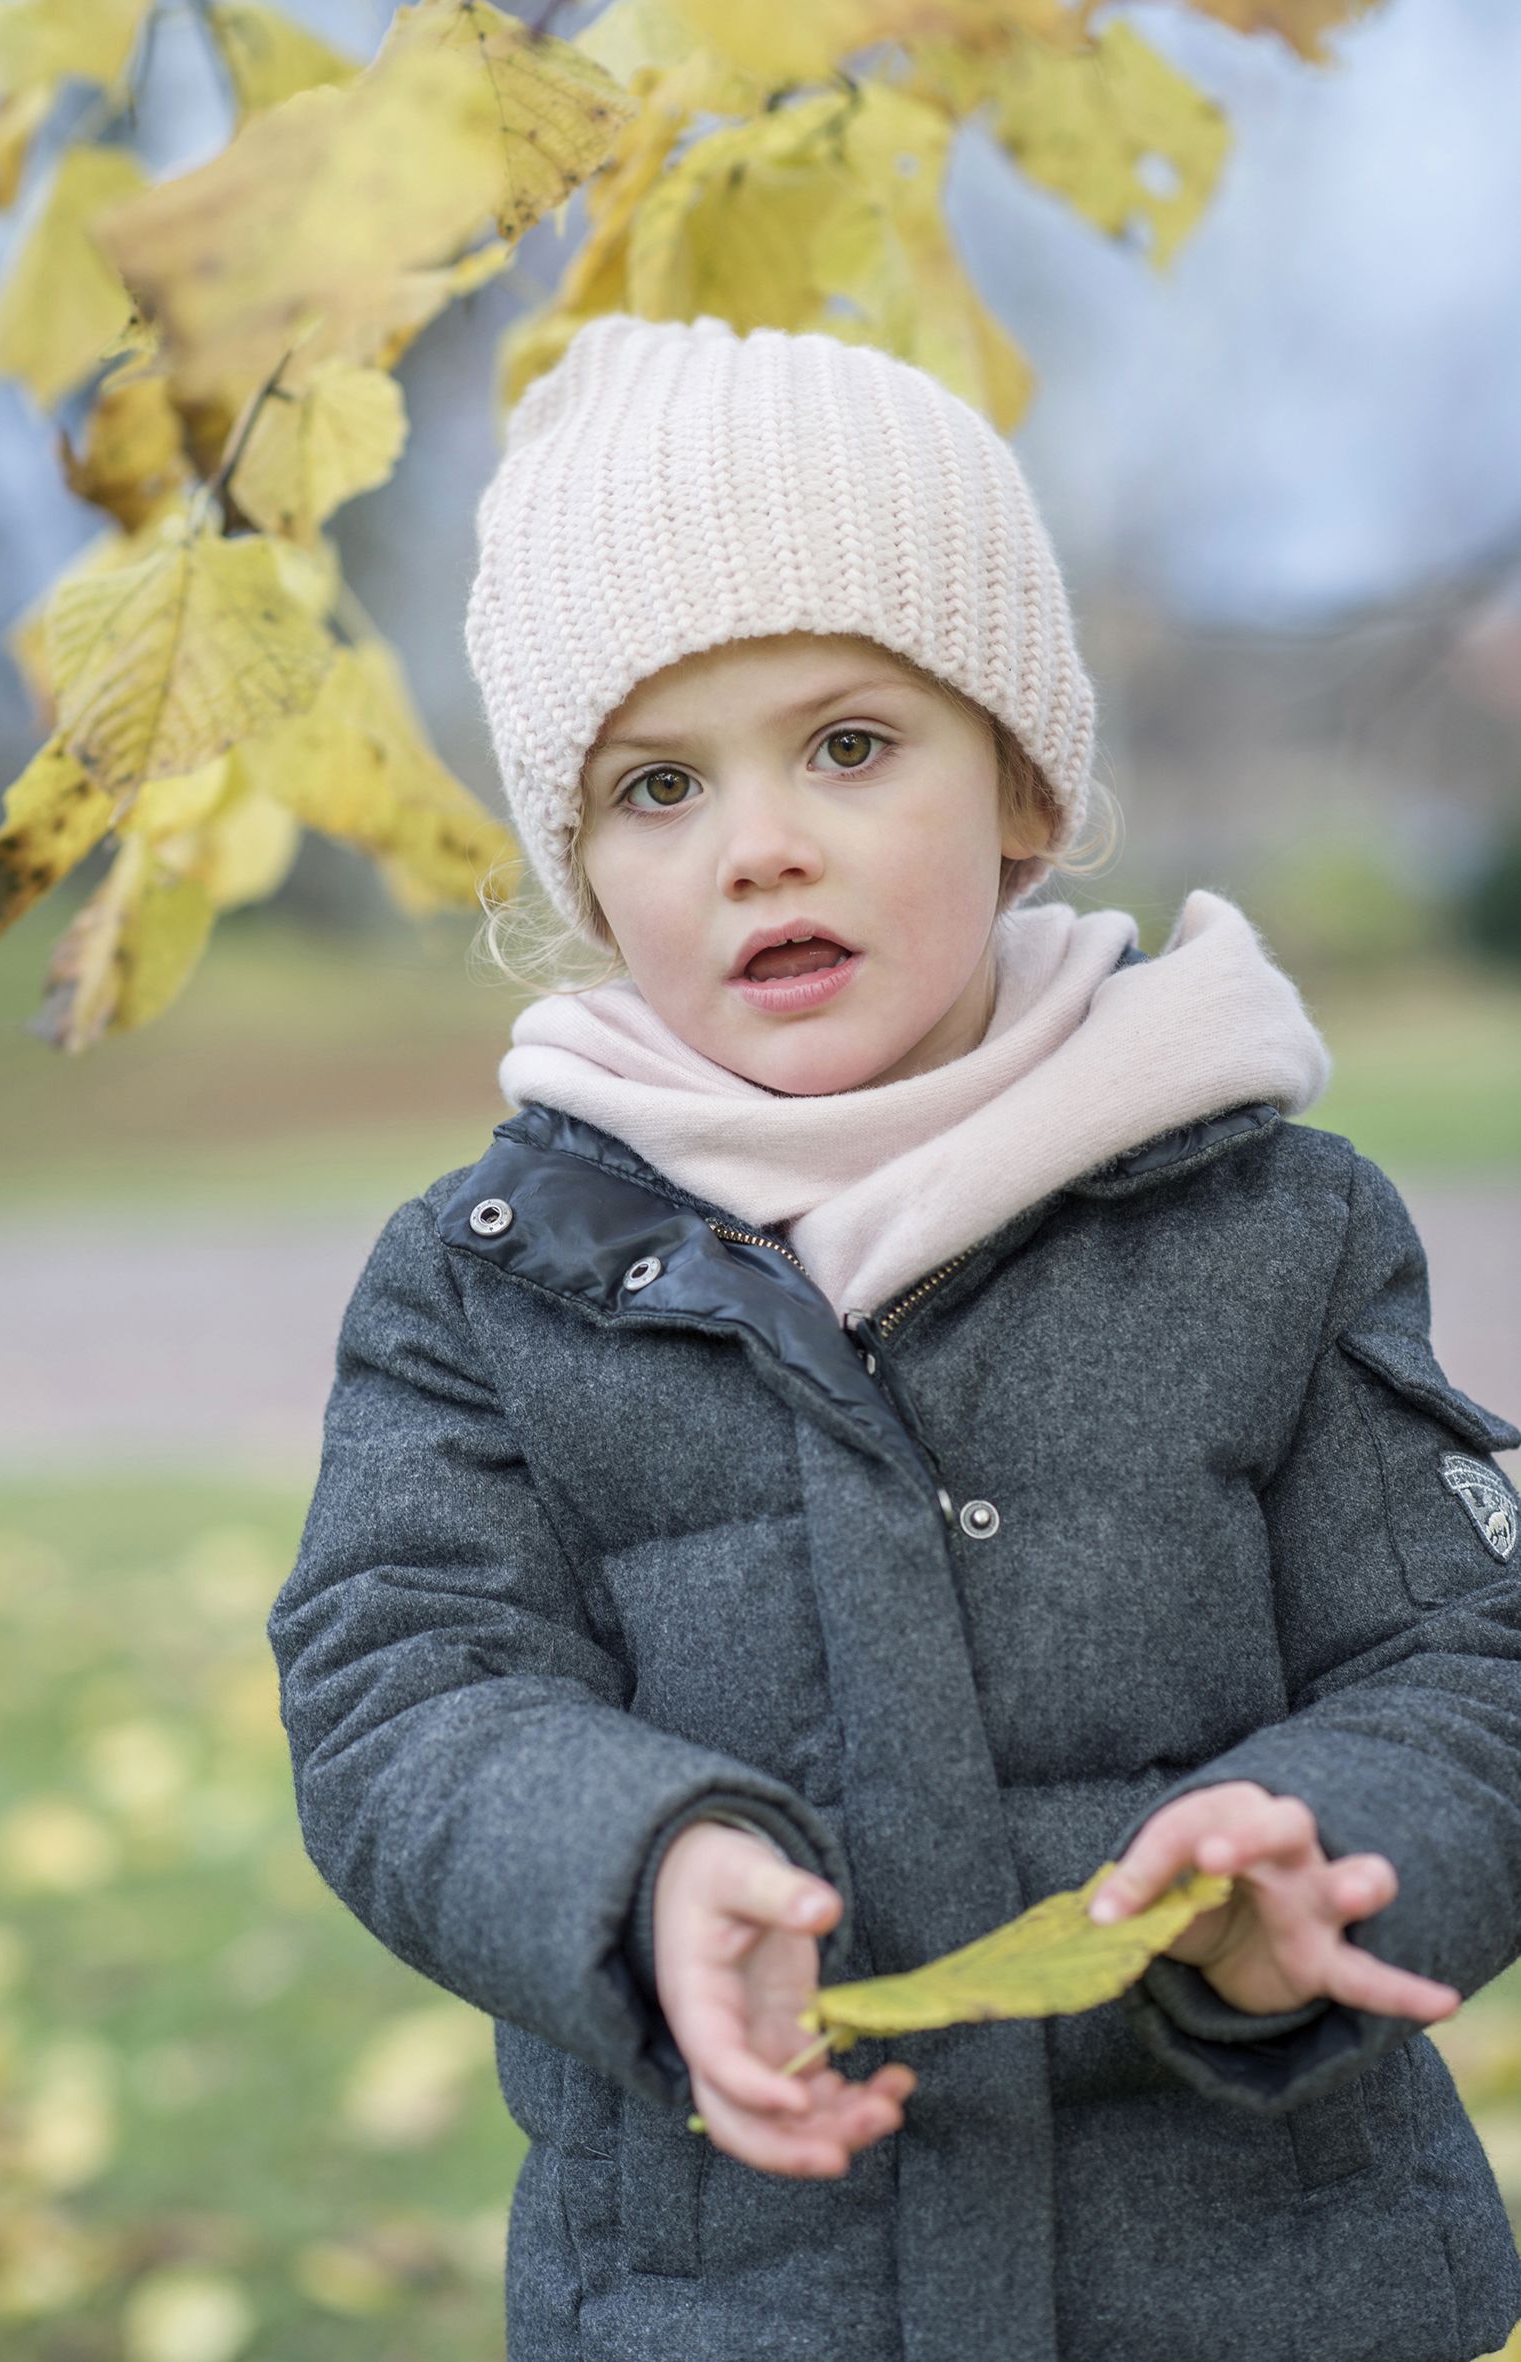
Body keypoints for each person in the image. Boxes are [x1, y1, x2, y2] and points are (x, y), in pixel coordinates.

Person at [266, 312, 1521, 2362]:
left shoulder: (1272, 1222)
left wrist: (1336, 1848)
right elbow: (401, 1682)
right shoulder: (491, 1276)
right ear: (584, 868)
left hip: (1266, 2281)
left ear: (1023, 782)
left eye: (849, 744)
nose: (759, 838)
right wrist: (637, 1865)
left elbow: (1472, 1647)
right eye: (658, 783)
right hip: (726, 2294)